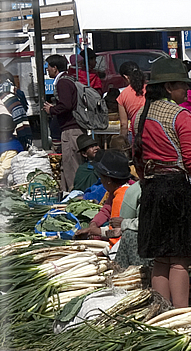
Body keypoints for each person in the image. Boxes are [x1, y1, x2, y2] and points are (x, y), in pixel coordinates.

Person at [133, 58, 191, 309]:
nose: (187, 91)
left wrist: (146, 182)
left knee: (160, 258)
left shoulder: (140, 115)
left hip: (152, 188)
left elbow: (137, 155)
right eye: (183, 85)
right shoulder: (180, 116)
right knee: (180, 259)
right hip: (178, 191)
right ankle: (181, 313)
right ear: (169, 86)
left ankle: (161, 311)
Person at [44, 54, 85, 193]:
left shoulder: (63, 82)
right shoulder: (69, 79)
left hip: (71, 130)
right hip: (72, 129)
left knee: (71, 164)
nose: (47, 70)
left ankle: (75, 195)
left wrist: (52, 109)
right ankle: (66, 192)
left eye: (48, 67)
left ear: (55, 68)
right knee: (66, 165)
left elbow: (66, 105)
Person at [76, 150, 132, 245]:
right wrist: (94, 224)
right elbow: (106, 210)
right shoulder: (114, 191)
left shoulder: (121, 196)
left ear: (108, 180)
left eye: (101, 178)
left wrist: (96, 233)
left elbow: (116, 233)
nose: (101, 181)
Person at [116, 61, 146, 143]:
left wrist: (122, 140)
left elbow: (124, 125)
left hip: (135, 134)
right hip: (152, 131)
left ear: (125, 77)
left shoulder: (122, 96)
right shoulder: (150, 89)